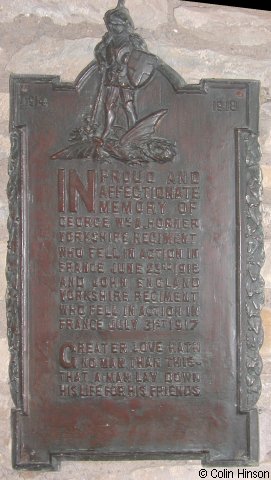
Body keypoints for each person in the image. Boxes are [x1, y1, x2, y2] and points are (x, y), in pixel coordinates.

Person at [94, 0, 148, 140]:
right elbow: (99, 52)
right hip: (112, 77)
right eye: (110, 24)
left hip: (126, 77)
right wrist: (101, 61)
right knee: (108, 105)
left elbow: (144, 59)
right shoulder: (109, 40)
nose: (112, 27)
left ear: (125, 24)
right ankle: (107, 130)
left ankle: (134, 132)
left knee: (128, 105)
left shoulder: (133, 41)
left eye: (116, 24)